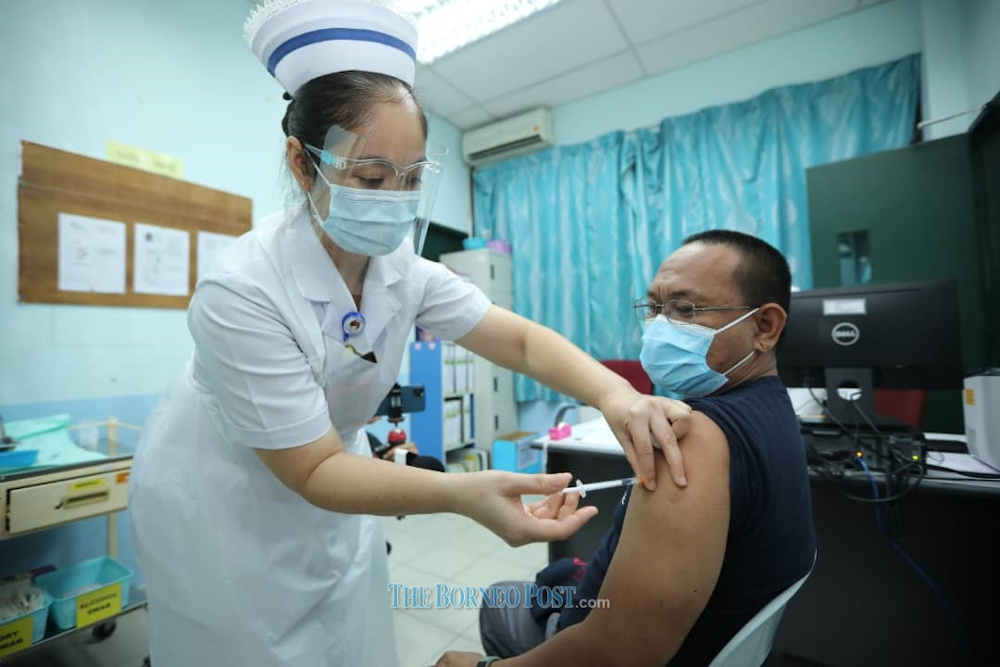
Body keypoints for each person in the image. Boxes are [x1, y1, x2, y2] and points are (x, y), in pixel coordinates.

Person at [127, 2, 692, 666]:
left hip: (333, 484)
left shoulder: (402, 270)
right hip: (226, 502)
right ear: (302, 163)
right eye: (370, 177)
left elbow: (518, 342)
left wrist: (615, 396)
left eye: (413, 178)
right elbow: (309, 468)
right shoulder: (243, 292)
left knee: (346, 635)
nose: (394, 197)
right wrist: (467, 493)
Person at [439, 231, 817, 667]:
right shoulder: (772, 405)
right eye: (654, 308)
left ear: (764, 327)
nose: (659, 326)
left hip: (591, 637)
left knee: (500, 599)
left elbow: (616, 653)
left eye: (685, 309)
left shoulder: (695, 440)